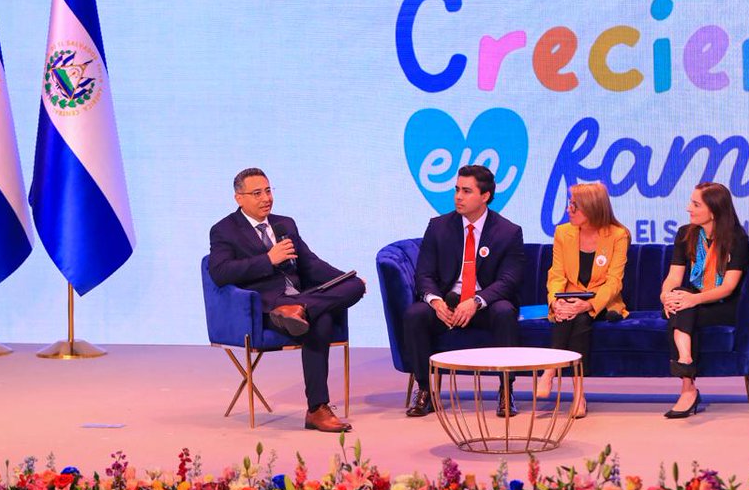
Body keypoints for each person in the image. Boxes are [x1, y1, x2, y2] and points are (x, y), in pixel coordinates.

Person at [209, 167, 366, 433]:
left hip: (299, 300)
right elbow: (220, 273)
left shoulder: (285, 224)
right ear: (239, 198)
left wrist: (346, 279)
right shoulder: (224, 230)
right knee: (323, 319)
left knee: (353, 287)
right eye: (257, 193)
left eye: (268, 191)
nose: (266, 198)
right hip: (269, 308)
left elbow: (311, 265)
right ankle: (317, 409)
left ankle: (302, 309)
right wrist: (268, 259)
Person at [401, 165, 525, 418]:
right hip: (447, 304)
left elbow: (509, 280)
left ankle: (505, 390)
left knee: (505, 311)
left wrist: (477, 301)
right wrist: (436, 302)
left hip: (484, 306)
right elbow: (423, 274)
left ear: (485, 196)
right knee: (416, 314)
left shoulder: (508, 232)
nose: (458, 196)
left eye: (466, 191)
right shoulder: (438, 227)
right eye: (457, 189)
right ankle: (425, 389)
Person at [659, 182, 749, 419]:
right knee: (681, 303)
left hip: (722, 304)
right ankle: (687, 376)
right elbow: (673, 277)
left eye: (695, 204)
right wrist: (666, 296)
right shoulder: (685, 234)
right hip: (693, 299)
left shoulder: (736, 238)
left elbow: (728, 287)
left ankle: (687, 383)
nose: (688, 208)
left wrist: (693, 299)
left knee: (686, 306)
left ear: (714, 210)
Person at [541, 182, 629, 418]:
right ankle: (575, 392)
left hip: (602, 299)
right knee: (570, 315)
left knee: (580, 318)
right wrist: (555, 301)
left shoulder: (618, 235)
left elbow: (614, 282)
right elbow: (556, 275)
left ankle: (556, 375)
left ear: (592, 208)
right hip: (568, 298)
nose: (569, 209)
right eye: (570, 204)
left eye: (575, 205)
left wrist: (589, 304)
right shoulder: (563, 232)